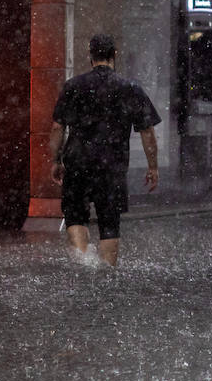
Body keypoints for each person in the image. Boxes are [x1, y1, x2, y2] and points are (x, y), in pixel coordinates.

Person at [50, 33, 161, 266]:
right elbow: (147, 131)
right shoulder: (130, 89)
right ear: (114, 55)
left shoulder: (73, 87)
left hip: (78, 162)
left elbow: (57, 126)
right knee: (110, 223)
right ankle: (106, 275)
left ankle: (83, 265)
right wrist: (153, 166)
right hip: (112, 166)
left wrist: (56, 160)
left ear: (90, 56)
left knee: (75, 217)